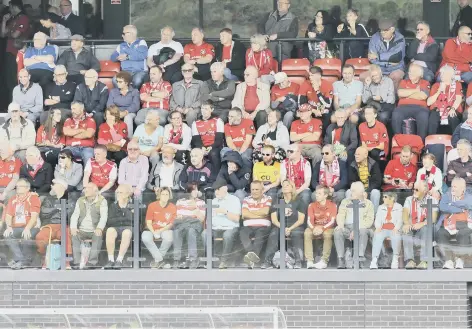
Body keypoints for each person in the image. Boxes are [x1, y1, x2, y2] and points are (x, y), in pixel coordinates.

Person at [264, 179, 305, 269]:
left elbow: (301, 220)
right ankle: (267, 261)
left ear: (292, 188)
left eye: (287, 185)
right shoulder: (277, 201)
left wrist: (289, 228)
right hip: (279, 225)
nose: (285, 187)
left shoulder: (299, 201)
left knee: (296, 233)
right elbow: (274, 219)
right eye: (283, 185)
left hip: (295, 225)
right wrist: (283, 227)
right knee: (274, 234)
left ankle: (298, 261)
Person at [334, 181, 375, 269]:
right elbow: (340, 215)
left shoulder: (368, 204)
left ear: (360, 193)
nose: (350, 192)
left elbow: (369, 221)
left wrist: (356, 229)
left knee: (363, 231)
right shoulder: (345, 202)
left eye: (353, 191)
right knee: (338, 231)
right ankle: (340, 259)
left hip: (362, 227)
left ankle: (360, 258)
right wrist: (340, 225)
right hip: (347, 228)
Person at [3, 179, 41, 269]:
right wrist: (8, 227)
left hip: (31, 227)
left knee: (27, 235)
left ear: (27, 188)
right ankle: (21, 260)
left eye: (20, 186)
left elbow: (34, 217)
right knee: (7, 235)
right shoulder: (13, 199)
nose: (17, 188)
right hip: (16, 227)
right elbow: (8, 216)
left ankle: (22, 262)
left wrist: (27, 228)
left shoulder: (33, 198)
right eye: (17, 186)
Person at [203, 181, 241, 269]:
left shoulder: (234, 200)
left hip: (230, 227)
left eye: (218, 189)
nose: (216, 192)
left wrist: (225, 212)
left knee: (227, 235)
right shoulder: (213, 201)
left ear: (225, 189)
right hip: (215, 228)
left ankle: (224, 261)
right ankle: (209, 261)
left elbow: (236, 218)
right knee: (205, 233)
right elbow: (209, 219)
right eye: (215, 190)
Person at [70, 182, 108, 269]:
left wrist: (99, 228)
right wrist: (73, 227)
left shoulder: (102, 201)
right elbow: (75, 215)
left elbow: (104, 217)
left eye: (88, 188)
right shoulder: (80, 200)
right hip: (81, 230)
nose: (85, 190)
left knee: (98, 236)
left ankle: (92, 262)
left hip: (94, 229)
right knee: (74, 235)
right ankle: (77, 262)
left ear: (95, 191)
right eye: (85, 188)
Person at [437, 177, 472, 269]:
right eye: (452, 186)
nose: (452, 188)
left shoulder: (468, 195)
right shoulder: (447, 195)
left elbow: (469, 203)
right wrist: (460, 209)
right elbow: (442, 206)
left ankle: (460, 259)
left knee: (463, 233)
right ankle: (448, 260)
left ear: (462, 188)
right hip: (448, 224)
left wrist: (451, 204)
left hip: (465, 224)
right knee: (441, 233)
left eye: (455, 186)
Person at [402, 180, 438, 269]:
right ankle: (410, 261)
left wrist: (422, 223)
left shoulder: (432, 200)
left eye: (417, 190)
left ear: (425, 190)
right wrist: (406, 223)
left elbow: (433, 218)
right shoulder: (409, 199)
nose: (414, 191)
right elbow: (405, 213)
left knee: (426, 228)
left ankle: (424, 260)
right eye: (414, 189)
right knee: (406, 231)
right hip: (413, 226)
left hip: (426, 228)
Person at [35, 179, 72, 265]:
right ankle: (44, 257)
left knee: (66, 237)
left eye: (54, 185)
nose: (51, 186)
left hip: (64, 225)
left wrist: (57, 209)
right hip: (50, 225)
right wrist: (57, 208)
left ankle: (66, 262)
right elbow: (44, 212)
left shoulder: (70, 199)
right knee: (40, 237)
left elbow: (70, 213)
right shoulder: (48, 199)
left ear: (60, 187)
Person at [391, 64, 431, 141]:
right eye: (409, 71)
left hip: (420, 108)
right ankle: (398, 141)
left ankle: (421, 143)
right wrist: (416, 91)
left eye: (413, 72)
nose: (410, 73)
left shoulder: (425, 83)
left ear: (420, 74)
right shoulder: (403, 81)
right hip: (403, 107)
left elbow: (423, 96)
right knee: (396, 114)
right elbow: (400, 93)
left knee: (423, 116)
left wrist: (407, 95)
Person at [1, 0, 30, 102]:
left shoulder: (23, 18)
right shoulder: (13, 19)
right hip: (9, 51)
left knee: (15, 79)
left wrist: (10, 32)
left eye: (10, 7)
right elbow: (2, 34)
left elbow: (15, 35)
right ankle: (10, 102)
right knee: (9, 80)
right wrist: (4, 21)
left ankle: (16, 102)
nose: (9, 10)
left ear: (14, 7)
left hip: (17, 52)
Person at [240, 181, 272, 269]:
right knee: (243, 233)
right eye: (252, 189)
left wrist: (251, 213)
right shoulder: (246, 199)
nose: (254, 191)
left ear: (262, 190)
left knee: (260, 234)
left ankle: (251, 258)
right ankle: (252, 256)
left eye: (257, 189)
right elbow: (244, 214)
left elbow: (265, 212)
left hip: (263, 226)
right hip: (248, 226)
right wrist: (259, 214)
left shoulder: (268, 198)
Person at [142, 187, 176, 268]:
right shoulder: (152, 205)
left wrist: (160, 230)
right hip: (151, 229)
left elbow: (171, 224)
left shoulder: (172, 207)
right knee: (145, 237)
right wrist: (154, 232)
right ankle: (160, 260)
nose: (165, 196)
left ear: (169, 196)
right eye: (163, 194)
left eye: (167, 194)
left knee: (169, 237)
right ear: (159, 195)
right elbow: (148, 222)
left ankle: (157, 261)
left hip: (165, 229)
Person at [172, 183, 206, 269]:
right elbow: (179, 216)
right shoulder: (180, 201)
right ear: (189, 191)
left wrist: (195, 208)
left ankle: (193, 259)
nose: (196, 192)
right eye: (194, 190)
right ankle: (177, 259)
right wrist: (189, 216)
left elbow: (201, 219)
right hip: (183, 223)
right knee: (176, 232)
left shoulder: (201, 202)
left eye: (197, 190)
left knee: (191, 231)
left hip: (195, 224)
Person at [367, 19, 406, 90]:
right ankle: (374, 98)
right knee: (365, 76)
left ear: (392, 29)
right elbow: (371, 58)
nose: (382, 32)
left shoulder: (400, 38)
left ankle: (392, 100)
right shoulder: (374, 38)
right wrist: (387, 63)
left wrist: (378, 56)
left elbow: (397, 57)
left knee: (396, 76)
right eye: (381, 30)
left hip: (396, 68)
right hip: (379, 68)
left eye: (385, 30)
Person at [305, 186, 337, 269]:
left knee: (327, 234)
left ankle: (324, 261)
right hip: (314, 227)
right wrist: (313, 229)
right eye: (316, 193)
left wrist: (322, 229)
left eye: (319, 193)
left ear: (326, 195)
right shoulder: (311, 205)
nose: (316, 195)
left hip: (327, 228)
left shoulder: (333, 205)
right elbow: (309, 220)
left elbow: (332, 221)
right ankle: (309, 261)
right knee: (307, 233)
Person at [103, 184, 133, 269]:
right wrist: (124, 218)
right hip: (115, 228)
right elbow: (110, 221)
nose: (118, 194)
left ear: (127, 194)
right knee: (110, 231)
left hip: (129, 228)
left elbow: (133, 220)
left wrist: (122, 213)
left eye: (121, 192)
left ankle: (119, 260)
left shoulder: (133, 203)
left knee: (126, 233)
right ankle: (111, 260)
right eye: (118, 192)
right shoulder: (113, 205)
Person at [369, 192, 402, 269]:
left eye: (385, 197)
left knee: (396, 237)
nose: (383, 198)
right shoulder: (381, 207)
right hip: (383, 228)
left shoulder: (399, 207)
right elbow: (377, 220)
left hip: (394, 228)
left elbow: (400, 220)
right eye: (383, 197)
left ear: (392, 198)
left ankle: (395, 259)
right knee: (377, 236)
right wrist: (378, 227)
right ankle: (374, 260)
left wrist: (396, 228)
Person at [427, 65, 463, 135]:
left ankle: (455, 141)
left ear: (451, 75)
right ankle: (431, 142)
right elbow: (429, 103)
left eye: (445, 73)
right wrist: (439, 91)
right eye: (441, 73)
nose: (442, 75)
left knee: (453, 117)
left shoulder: (457, 84)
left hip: (452, 109)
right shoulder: (436, 85)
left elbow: (458, 99)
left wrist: (452, 108)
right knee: (433, 119)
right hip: (438, 110)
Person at [191, 101, 225, 173]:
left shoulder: (218, 121)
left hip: (215, 146)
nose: (203, 111)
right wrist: (201, 147)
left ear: (211, 110)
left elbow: (219, 139)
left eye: (206, 109)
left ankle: (216, 175)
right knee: (193, 154)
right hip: (202, 146)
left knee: (213, 154)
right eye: (202, 108)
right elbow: (196, 140)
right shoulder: (196, 123)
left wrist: (211, 147)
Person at [111, 24, 148, 90]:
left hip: (140, 71)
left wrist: (127, 56)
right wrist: (118, 57)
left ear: (132, 34)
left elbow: (143, 55)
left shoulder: (141, 42)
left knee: (137, 81)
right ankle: (124, 97)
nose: (122, 35)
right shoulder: (121, 45)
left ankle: (133, 97)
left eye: (124, 33)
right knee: (115, 80)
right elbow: (112, 57)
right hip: (126, 71)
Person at [347, 146, 382, 212]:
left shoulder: (373, 164)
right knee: (348, 192)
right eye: (355, 154)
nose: (356, 156)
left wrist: (367, 191)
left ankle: (373, 216)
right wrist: (360, 191)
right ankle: (351, 214)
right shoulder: (352, 165)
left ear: (366, 155)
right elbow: (351, 181)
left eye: (358, 154)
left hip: (370, 190)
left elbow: (377, 182)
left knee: (375, 192)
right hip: (358, 191)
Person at [298, 66, 333, 131]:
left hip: (323, 109)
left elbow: (328, 105)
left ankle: (323, 137)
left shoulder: (327, 85)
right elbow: (301, 104)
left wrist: (317, 91)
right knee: (300, 114)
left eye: (312, 75)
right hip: (310, 109)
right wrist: (313, 111)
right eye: (310, 75)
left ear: (319, 76)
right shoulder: (305, 84)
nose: (310, 77)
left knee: (327, 115)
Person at [107, 71, 140, 139]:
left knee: (128, 117)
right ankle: (111, 139)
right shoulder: (113, 91)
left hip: (130, 112)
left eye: (120, 82)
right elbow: (109, 105)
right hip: (116, 112)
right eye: (117, 81)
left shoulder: (134, 91)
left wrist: (126, 112)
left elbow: (136, 105)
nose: (117, 83)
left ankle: (128, 139)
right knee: (110, 116)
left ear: (126, 83)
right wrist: (117, 113)